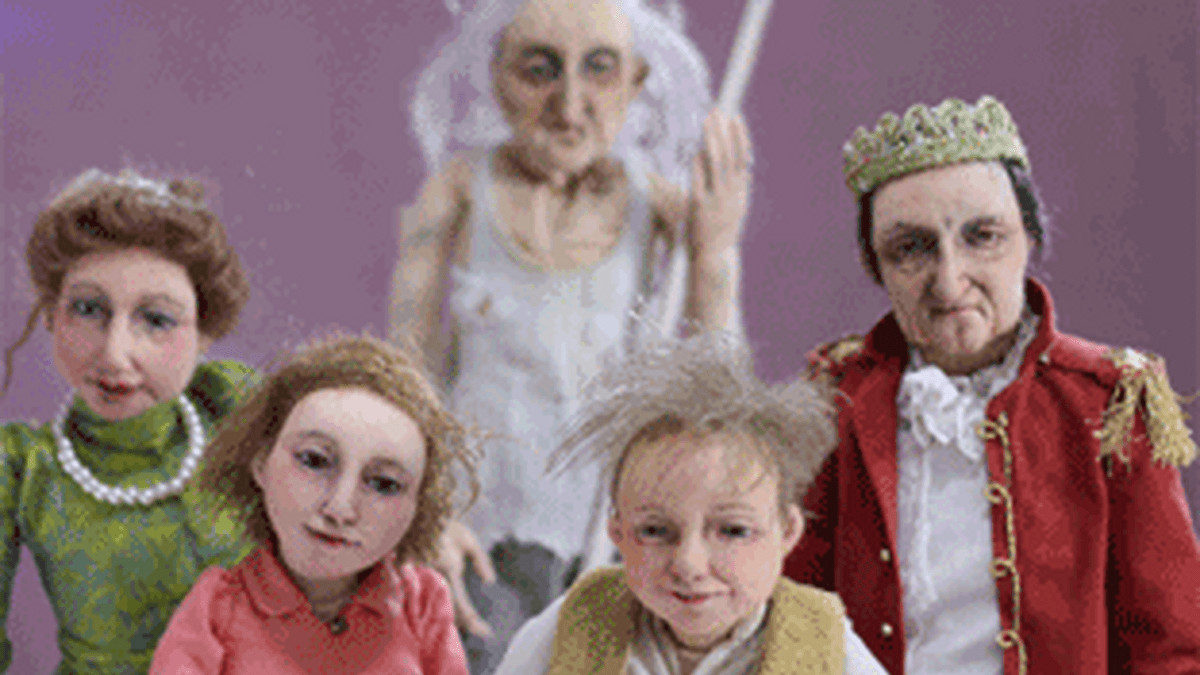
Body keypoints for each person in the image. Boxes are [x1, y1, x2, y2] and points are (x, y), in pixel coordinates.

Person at [390, 0, 751, 670]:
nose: (570, 104)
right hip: (480, 530)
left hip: (607, 534)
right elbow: (406, 369)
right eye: (540, 69)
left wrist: (714, 258)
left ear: (636, 82)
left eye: (600, 70)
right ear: (498, 76)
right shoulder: (457, 193)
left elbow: (719, 385)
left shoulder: (658, 205)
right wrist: (426, 512)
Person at [784, 95, 1200, 674]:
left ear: (1029, 237)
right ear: (874, 265)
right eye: (911, 249)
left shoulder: (1112, 399)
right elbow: (790, 614)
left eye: (982, 237)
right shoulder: (834, 400)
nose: (950, 281)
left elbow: (1171, 650)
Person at [489, 331, 888, 675]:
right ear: (618, 533)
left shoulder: (823, 645)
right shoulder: (576, 624)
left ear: (786, 531)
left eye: (733, 531)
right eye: (655, 531)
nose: (689, 564)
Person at [0, 168, 257, 674]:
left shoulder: (234, 407)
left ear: (205, 331)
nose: (115, 354)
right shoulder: (23, 468)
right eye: (88, 309)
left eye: (156, 319)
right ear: (51, 315)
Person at [149, 334, 480, 674]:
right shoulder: (216, 606)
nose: (339, 509)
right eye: (314, 460)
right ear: (261, 462)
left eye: (384, 484)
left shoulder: (423, 602)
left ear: (418, 508)